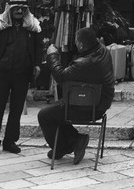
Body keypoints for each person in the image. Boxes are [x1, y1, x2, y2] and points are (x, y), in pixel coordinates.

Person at [39, 27, 115, 164]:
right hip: (102, 104)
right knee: (58, 110)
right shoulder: (104, 51)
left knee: (44, 115)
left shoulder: (85, 63)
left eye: (76, 42)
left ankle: (69, 144)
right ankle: (72, 141)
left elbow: (60, 76)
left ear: (80, 45)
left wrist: (52, 56)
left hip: (89, 108)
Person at [0, 0, 43, 156]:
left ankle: (10, 141)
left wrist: (37, 65)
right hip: (1, 73)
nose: (19, 11)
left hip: (22, 73)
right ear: (9, 9)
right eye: (16, 8)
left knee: (16, 110)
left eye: (22, 9)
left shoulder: (32, 26)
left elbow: (39, 47)